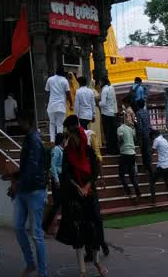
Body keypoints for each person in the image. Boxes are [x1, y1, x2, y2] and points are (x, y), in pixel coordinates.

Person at [56, 115, 107, 277]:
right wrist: (77, 187)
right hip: (75, 197)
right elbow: (66, 174)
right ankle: (82, 270)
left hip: (90, 195)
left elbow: (94, 172)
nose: (73, 140)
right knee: (77, 230)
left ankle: (97, 262)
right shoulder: (67, 153)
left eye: (75, 137)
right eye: (71, 137)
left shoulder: (88, 151)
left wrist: (87, 186)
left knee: (95, 226)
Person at [11, 115, 48, 277]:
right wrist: (15, 176)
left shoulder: (34, 140)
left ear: (30, 122)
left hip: (35, 191)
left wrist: (17, 183)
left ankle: (43, 272)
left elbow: (32, 168)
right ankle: (30, 264)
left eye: (22, 121)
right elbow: (27, 167)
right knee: (18, 227)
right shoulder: (28, 139)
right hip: (24, 190)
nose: (20, 124)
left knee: (37, 234)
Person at [149, 130, 168, 213]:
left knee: (152, 182)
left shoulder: (156, 140)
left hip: (161, 166)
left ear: (154, 135)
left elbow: (152, 151)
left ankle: (153, 201)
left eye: (151, 137)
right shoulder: (164, 140)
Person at [42, 133, 65, 233]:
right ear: (62, 140)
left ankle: (48, 225)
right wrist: (56, 180)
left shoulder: (61, 150)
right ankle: (45, 225)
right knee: (57, 203)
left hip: (62, 177)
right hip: (58, 177)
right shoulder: (56, 150)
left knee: (60, 203)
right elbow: (53, 166)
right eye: (65, 139)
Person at [117, 115, 141, 201]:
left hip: (124, 153)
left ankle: (129, 193)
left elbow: (121, 139)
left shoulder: (119, 129)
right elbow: (134, 139)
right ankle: (138, 193)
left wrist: (119, 146)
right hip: (132, 153)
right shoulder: (130, 129)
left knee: (122, 175)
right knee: (132, 175)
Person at [45, 68, 71, 142]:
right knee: (60, 124)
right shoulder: (64, 80)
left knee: (52, 124)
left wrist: (46, 103)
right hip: (61, 106)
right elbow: (68, 93)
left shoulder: (50, 79)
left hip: (51, 106)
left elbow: (47, 92)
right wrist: (71, 103)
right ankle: (59, 141)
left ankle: (52, 140)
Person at [134, 95, 153, 180]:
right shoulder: (146, 112)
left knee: (143, 151)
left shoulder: (138, 113)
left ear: (138, 105)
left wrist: (138, 134)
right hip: (148, 132)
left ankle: (146, 167)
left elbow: (140, 125)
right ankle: (149, 167)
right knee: (148, 151)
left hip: (143, 134)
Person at [98, 78, 118, 156]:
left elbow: (103, 103)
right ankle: (116, 149)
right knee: (113, 133)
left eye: (100, 82)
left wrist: (98, 103)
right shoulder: (112, 88)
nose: (99, 84)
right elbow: (114, 101)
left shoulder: (104, 90)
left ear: (102, 82)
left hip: (106, 114)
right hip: (113, 113)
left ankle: (110, 151)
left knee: (107, 133)